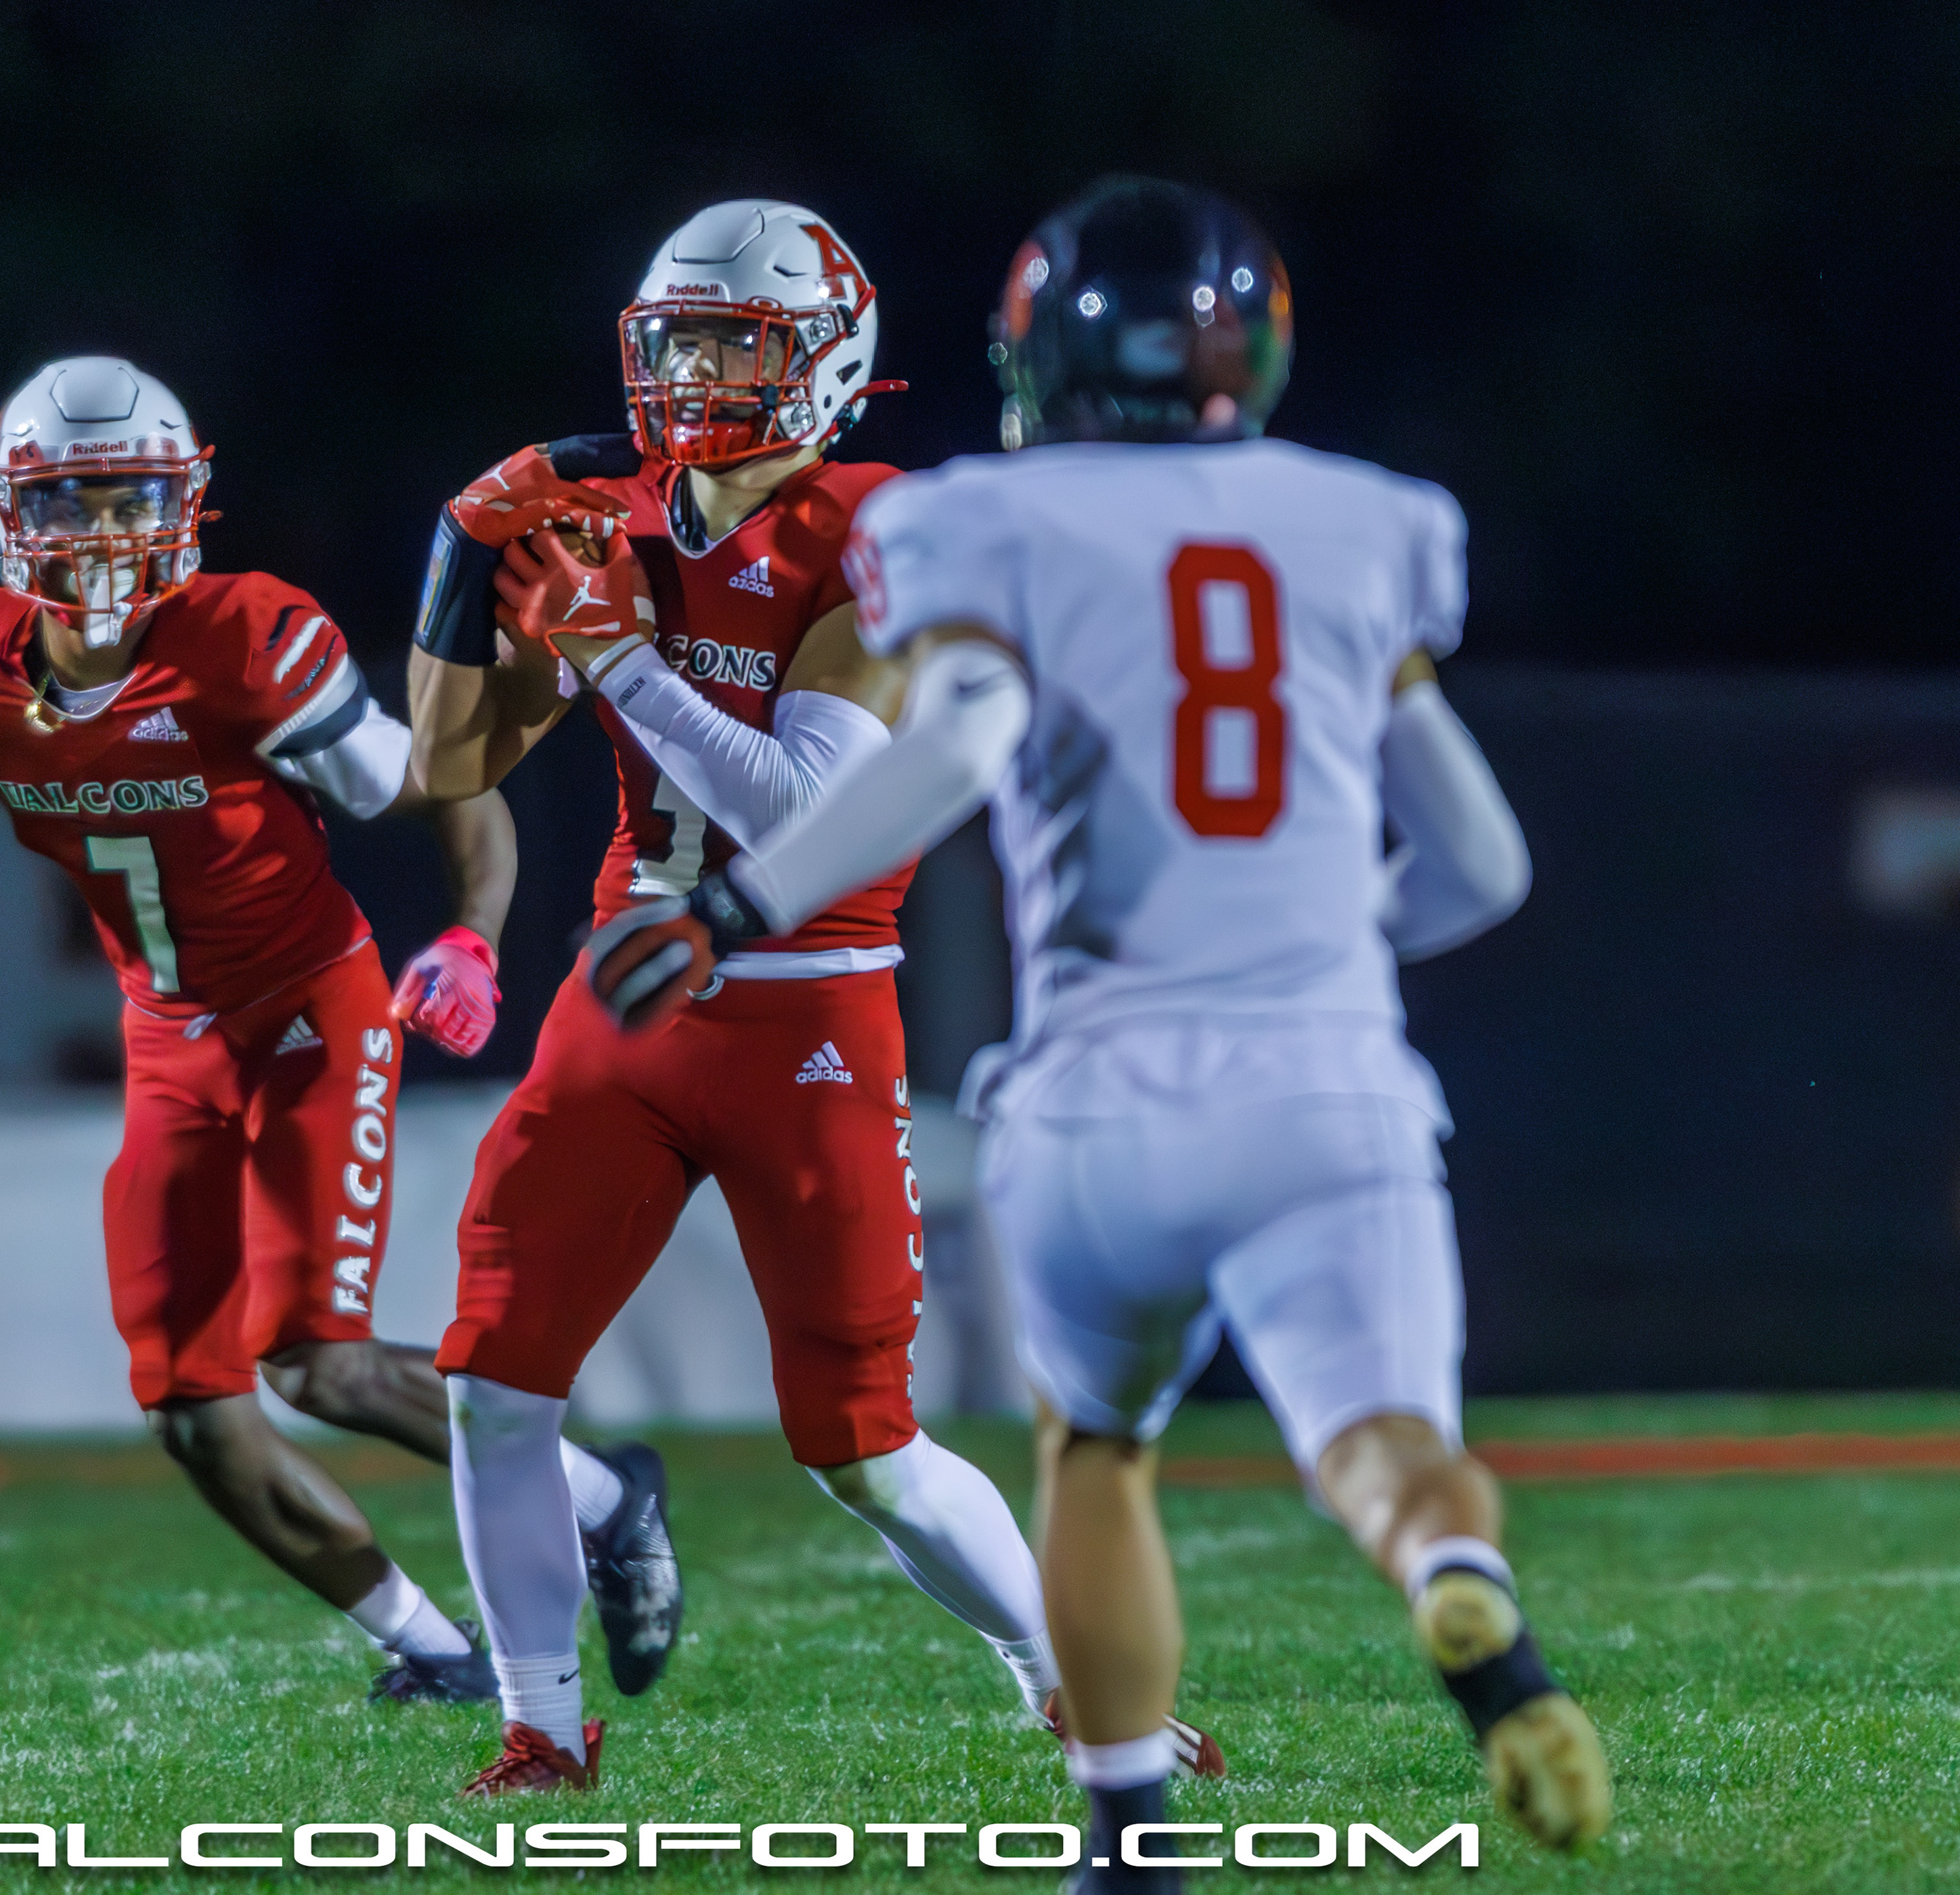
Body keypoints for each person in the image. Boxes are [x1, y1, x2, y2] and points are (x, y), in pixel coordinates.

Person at [592, 177, 1609, 1883]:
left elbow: (956, 745)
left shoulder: (980, 522)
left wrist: (734, 907)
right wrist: (1317, 936)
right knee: (1387, 1443)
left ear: (1036, 358)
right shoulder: (1365, 522)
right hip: (1326, 1073)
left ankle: (1129, 1826)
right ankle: (1463, 1589)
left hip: (1101, 1089)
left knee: (1100, 1450)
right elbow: (1484, 865)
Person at [0, 356, 679, 1707]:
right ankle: (429, 1648)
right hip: (170, 1040)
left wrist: (471, 935)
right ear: (7, 512)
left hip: (309, 1011)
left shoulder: (250, 642)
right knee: (194, 1412)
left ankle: (604, 1499)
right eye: (70, 501)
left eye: (128, 500)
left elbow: (448, 780)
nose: (100, 533)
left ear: (184, 505)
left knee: (317, 1363)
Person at [408, 204, 1219, 1795]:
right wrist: (459, 555)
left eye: (740, 341)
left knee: (864, 1446)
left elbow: (799, 812)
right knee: (492, 1382)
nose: (700, 371)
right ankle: (541, 1727)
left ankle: (1064, 1679)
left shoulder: (878, 530)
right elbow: (447, 761)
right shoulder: (614, 519)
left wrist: (623, 662)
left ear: (829, 363)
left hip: (809, 1006)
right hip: (625, 1000)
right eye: (682, 338)